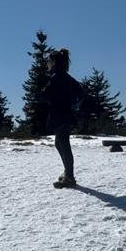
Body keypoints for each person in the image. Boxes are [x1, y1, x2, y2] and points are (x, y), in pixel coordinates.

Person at [45, 48, 84, 188]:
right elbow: (81, 90)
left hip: (61, 115)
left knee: (63, 144)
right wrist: (73, 105)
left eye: (48, 60)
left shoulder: (56, 77)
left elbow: (47, 95)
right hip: (65, 115)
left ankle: (69, 177)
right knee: (59, 143)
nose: (47, 63)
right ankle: (67, 173)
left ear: (54, 62)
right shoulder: (65, 76)